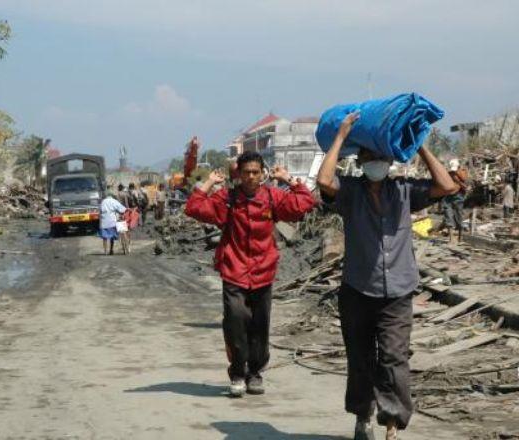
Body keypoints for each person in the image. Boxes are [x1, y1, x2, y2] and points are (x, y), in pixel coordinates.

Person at [317, 113, 458, 440]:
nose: (375, 163)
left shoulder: (406, 191)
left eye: (381, 157)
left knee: (395, 359)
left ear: (390, 160)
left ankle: (392, 423)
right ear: (361, 160)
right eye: (369, 157)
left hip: (397, 292)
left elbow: (447, 185)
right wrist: (340, 137)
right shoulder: (351, 192)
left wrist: (419, 146)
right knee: (361, 359)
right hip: (357, 290)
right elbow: (324, 182)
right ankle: (362, 415)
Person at [185, 151, 316, 397]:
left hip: (263, 271)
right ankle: (237, 373)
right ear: (239, 174)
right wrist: (209, 183)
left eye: (256, 172)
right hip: (234, 270)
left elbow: (304, 203)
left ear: (263, 173)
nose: (251, 177)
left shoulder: (272, 197)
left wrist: (289, 180)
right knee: (235, 321)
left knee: (259, 326)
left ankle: (254, 373)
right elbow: (194, 207)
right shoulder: (228, 199)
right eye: (246, 172)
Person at [441, 159, 468, 243]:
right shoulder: (448, 173)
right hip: (448, 195)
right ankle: (451, 238)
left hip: (458, 195)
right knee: (448, 215)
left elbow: (464, 179)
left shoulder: (462, 172)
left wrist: (457, 174)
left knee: (459, 215)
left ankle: (460, 237)